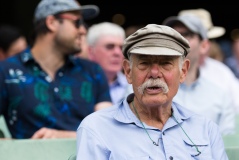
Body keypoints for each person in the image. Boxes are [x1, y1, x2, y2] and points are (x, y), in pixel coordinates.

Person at [76, 24, 228, 159]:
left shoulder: (206, 129)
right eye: (144, 63)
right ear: (128, 71)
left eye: (165, 63)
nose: (154, 73)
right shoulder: (97, 128)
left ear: (183, 71)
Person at [0, 0, 112, 139]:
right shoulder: (6, 71)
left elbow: (108, 130)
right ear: (51, 23)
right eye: (77, 22)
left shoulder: (92, 71)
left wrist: (66, 136)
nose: (83, 30)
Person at [163, 14, 235, 136]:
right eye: (173, 35)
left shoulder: (220, 95)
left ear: (204, 46)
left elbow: (226, 148)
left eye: (186, 35)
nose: (178, 40)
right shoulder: (146, 87)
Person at [178, 8, 239, 114]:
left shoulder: (221, 72)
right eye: (185, 36)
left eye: (209, 39)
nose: (208, 44)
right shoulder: (165, 71)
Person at [87, 22, 132, 104]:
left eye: (121, 47)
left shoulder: (134, 86)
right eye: (110, 47)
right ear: (90, 51)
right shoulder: (75, 85)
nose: (117, 53)